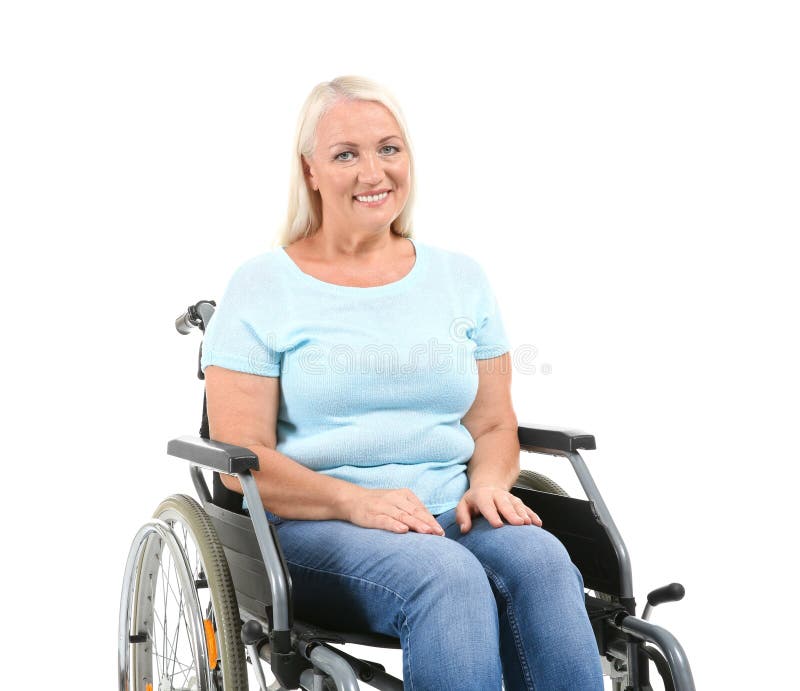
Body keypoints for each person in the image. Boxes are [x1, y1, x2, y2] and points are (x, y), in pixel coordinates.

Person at [201, 75, 604, 690]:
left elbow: (493, 422)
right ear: (310, 170)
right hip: (315, 528)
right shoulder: (261, 287)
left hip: (450, 510)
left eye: (389, 148)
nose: (373, 173)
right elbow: (241, 458)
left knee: (546, 562)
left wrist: (489, 484)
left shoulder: (461, 278)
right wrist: (354, 501)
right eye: (346, 155)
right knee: (445, 576)